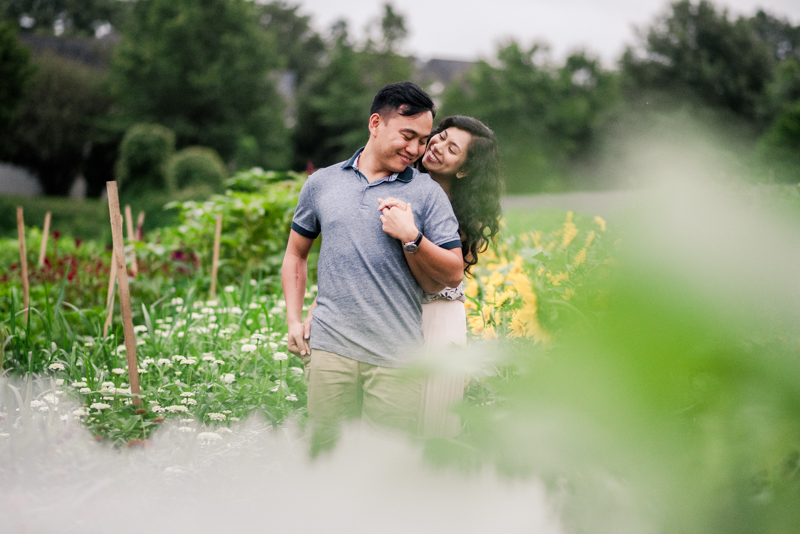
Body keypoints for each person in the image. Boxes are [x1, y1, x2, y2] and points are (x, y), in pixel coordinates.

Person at [281, 82, 464, 454]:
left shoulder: (428, 193)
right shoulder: (321, 183)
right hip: (331, 349)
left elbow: (453, 271)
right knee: (325, 457)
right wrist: (294, 319)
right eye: (407, 136)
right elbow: (295, 255)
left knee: (384, 468)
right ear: (376, 123)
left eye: (422, 140)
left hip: (396, 358)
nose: (415, 150)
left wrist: (412, 237)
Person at [380, 116, 502, 438]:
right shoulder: (402, 185)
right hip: (398, 312)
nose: (437, 147)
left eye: (452, 149)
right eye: (440, 136)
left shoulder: (456, 211)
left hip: (436, 316)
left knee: (427, 420)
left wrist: (410, 236)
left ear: (463, 170)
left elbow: (441, 278)